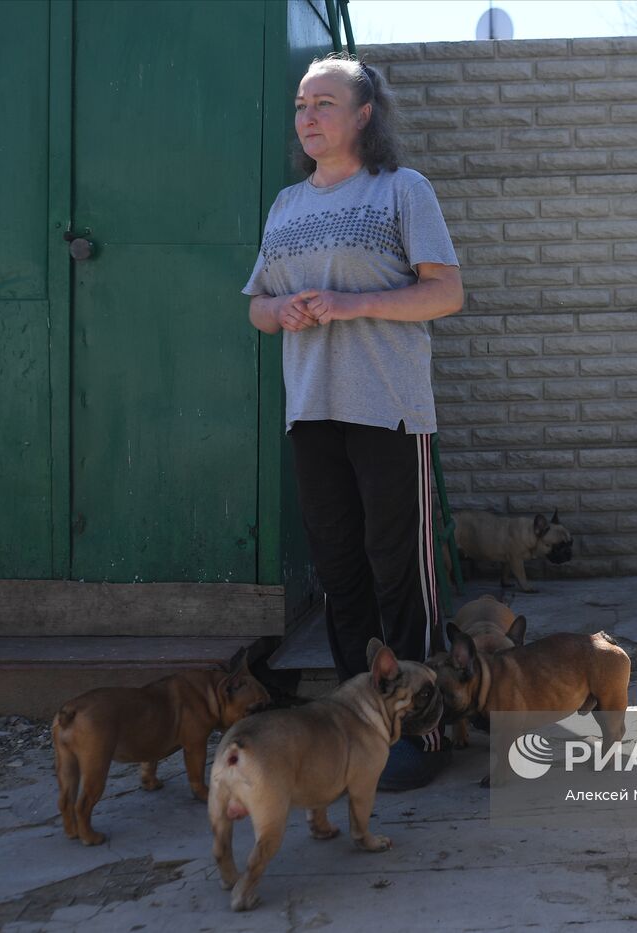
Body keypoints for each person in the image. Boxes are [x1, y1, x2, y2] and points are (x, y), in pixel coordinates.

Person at [242, 53, 463, 791]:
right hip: (311, 408)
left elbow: (445, 293)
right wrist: (285, 310)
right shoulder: (285, 207)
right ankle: (354, 722)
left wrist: (352, 303)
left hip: (388, 409)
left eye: (324, 104)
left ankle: (424, 723)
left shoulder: (402, 191)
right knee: (339, 567)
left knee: (398, 566)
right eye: (301, 105)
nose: (307, 117)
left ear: (364, 114)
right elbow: (257, 308)